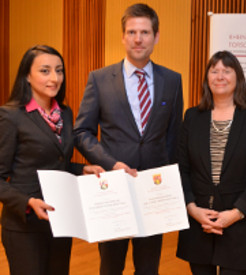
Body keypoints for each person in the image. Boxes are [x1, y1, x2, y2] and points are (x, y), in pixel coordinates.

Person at [73, 3, 183, 275]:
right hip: (114, 189)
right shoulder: (99, 79)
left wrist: (166, 179)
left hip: (153, 191)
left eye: (145, 32)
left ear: (156, 37)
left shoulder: (172, 80)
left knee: (148, 268)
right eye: (132, 32)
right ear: (122, 36)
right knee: (111, 267)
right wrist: (111, 164)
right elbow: (81, 132)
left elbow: (174, 135)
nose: (138, 38)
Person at [0, 45, 104, 275]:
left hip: (60, 219)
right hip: (24, 225)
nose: (54, 78)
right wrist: (27, 201)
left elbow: (57, 164)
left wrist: (82, 169)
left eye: (59, 70)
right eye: (45, 71)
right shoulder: (10, 115)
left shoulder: (64, 114)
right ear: (27, 75)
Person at [176, 51, 246, 275]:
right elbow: (182, 167)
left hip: (238, 223)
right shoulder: (192, 117)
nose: (220, 76)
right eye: (214, 70)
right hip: (199, 222)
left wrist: (237, 212)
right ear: (207, 78)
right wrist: (191, 208)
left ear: (237, 77)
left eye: (226, 71)